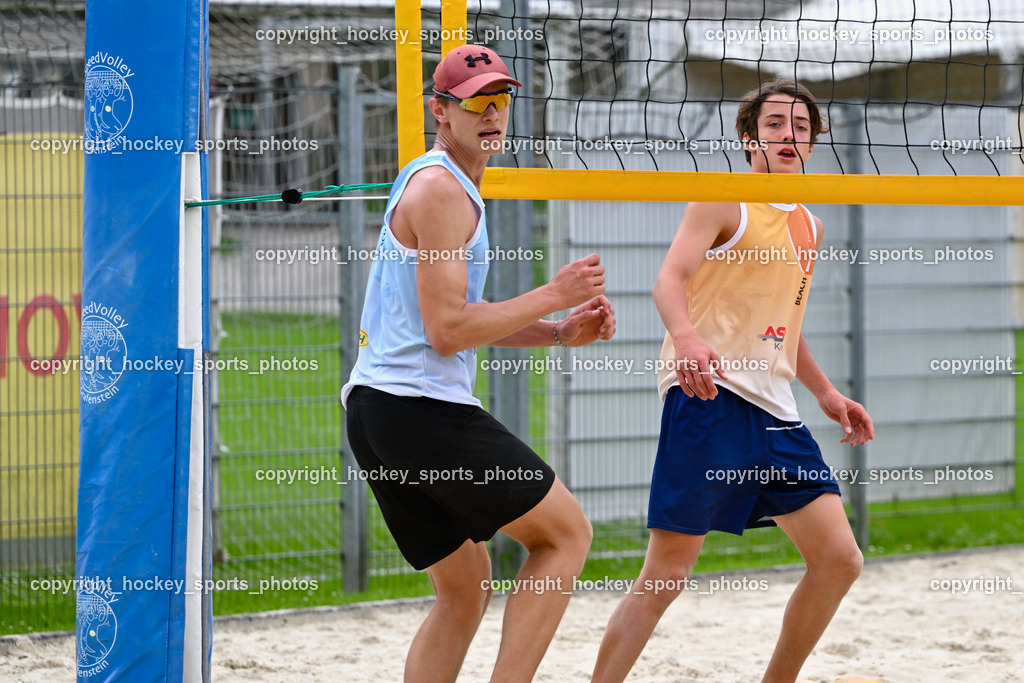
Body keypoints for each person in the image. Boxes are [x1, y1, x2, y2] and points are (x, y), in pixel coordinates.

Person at [341, 44, 616, 683]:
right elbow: (447, 333)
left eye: (501, 101)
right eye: (477, 104)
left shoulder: (441, 182)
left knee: (465, 589)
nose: (493, 115)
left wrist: (554, 331)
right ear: (441, 111)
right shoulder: (441, 189)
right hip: (417, 411)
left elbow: (457, 316)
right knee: (566, 536)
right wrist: (555, 291)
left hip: (380, 414)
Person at [592, 79, 874, 683]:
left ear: (814, 141)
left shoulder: (808, 226)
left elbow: (783, 324)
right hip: (709, 397)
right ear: (749, 138)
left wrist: (825, 392)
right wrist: (689, 339)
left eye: (801, 128)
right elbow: (668, 281)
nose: (789, 136)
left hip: (778, 413)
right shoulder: (723, 200)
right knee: (666, 574)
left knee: (839, 561)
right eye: (774, 125)